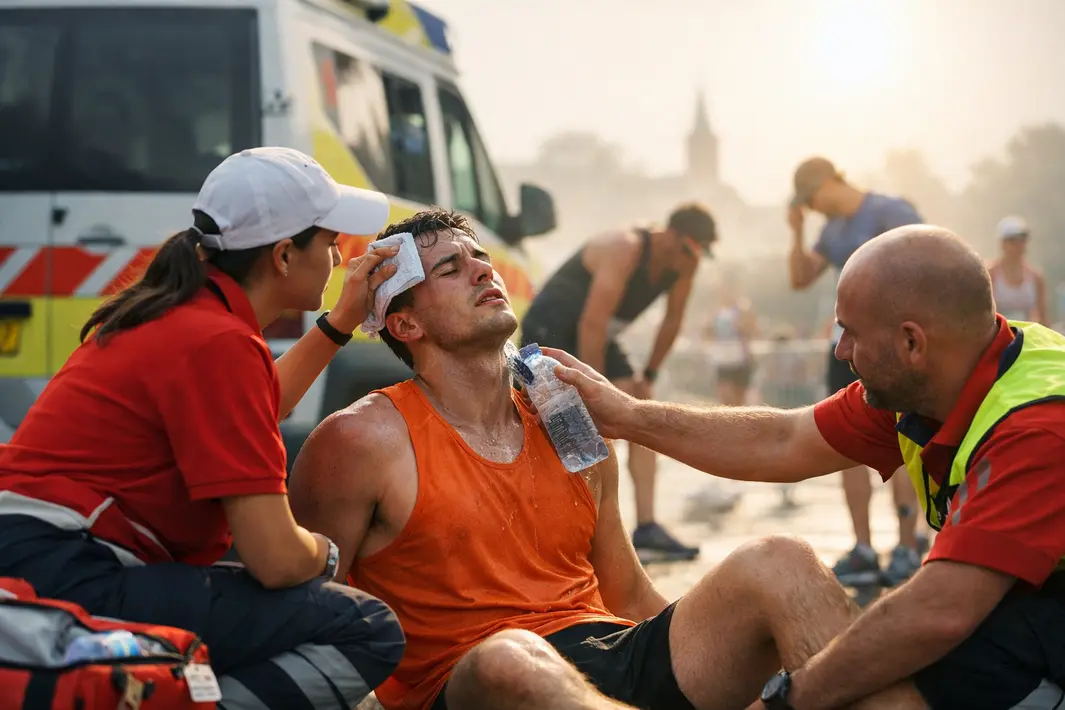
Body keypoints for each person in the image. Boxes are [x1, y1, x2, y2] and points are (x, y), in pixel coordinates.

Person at [287, 208, 920, 710]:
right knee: (509, 659)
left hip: (607, 659)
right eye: (450, 270)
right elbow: (311, 620)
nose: (484, 271)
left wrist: (740, 673)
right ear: (405, 326)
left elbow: (625, 590)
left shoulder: (566, 421)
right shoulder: (361, 440)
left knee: (782, 561)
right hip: (475, 683)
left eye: (481, 257)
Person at [553, 225, 1065, 710]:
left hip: (1040, 625)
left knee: (893, 673)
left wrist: (785, 698)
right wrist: (629, 415)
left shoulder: (1035, 428)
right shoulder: (942, 375)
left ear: (912, 343)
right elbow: (782, 439)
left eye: (850, 333)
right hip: (1021, 607)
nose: (839, 350)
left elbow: (939, 612)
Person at [0, 148, 405, 709]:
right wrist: (329, 556)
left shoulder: (189, 312)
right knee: (365, 627)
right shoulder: (218, 343)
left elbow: (261, 404)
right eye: (332, 242)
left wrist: (338, 323)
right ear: (285, 255)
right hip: (66, 569)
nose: (340, 257)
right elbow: (276, 558)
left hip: (39, 554)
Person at [520, 204, 717, 562]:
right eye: (692, 252)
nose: (694, 263)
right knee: (570, 426)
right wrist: (591, 392)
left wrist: (649, 375)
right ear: (672, 237)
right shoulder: (625, 247)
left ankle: (646, 526)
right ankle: (559, 526)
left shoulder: (682, 266)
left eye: (701, 255)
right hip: (553, 330)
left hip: (601, 337)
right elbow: (591, 322)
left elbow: (672, 322)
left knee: (643, 411)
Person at [787, 155, 924, 587]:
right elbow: (800, 279)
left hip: (889, 348)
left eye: (810, 200)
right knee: (848, 444)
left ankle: (905, 546)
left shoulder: (890, 211)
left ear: (826, 182)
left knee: (902, 441)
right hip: (844, 347)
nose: (811, 209)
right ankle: (863, 548)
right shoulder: (831, 230)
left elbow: (927, 271)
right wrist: (795, 232)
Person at [988, 215, 1046, 324]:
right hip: (998, 336)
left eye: (1023, 240)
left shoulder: (1036, 277)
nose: (1019, 245)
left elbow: (1044, 318)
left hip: (1026, 337)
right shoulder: (990, 274)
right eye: (1013, 240)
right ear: (1002, 243)